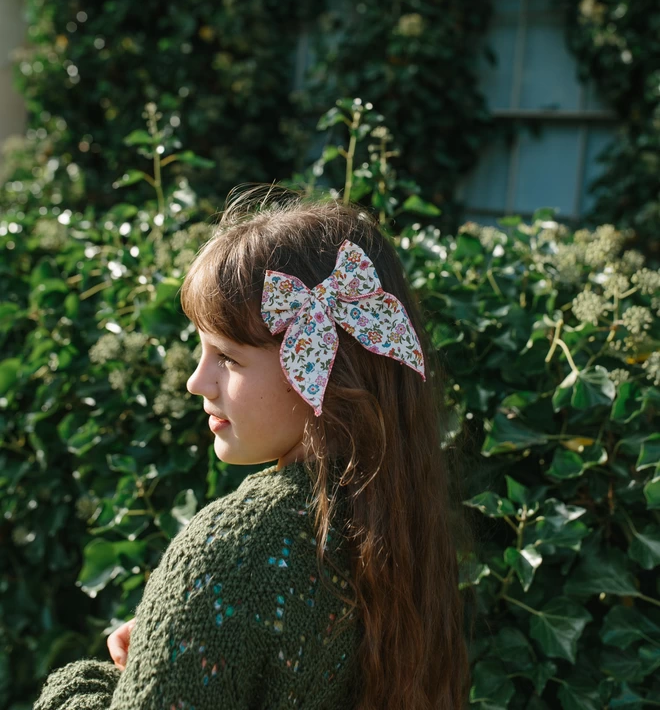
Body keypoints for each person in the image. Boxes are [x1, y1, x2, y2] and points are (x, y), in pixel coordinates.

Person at [34, 186, 472, 710]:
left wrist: (90, 686)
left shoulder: (231, 550)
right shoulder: (401, 526)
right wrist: (176, 650)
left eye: (228, 358)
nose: (197, 382)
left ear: (321, 366)